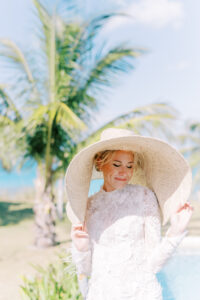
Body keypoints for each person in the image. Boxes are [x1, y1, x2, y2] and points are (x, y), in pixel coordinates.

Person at [65, 128, 194, 300]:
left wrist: (175, 233)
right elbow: (87, 271)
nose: (124, 172)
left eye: (130, 166)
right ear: (100, 162)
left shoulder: (145, 198)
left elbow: (154, 264)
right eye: (116, 165)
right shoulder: (89, 207)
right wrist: (81, 249)